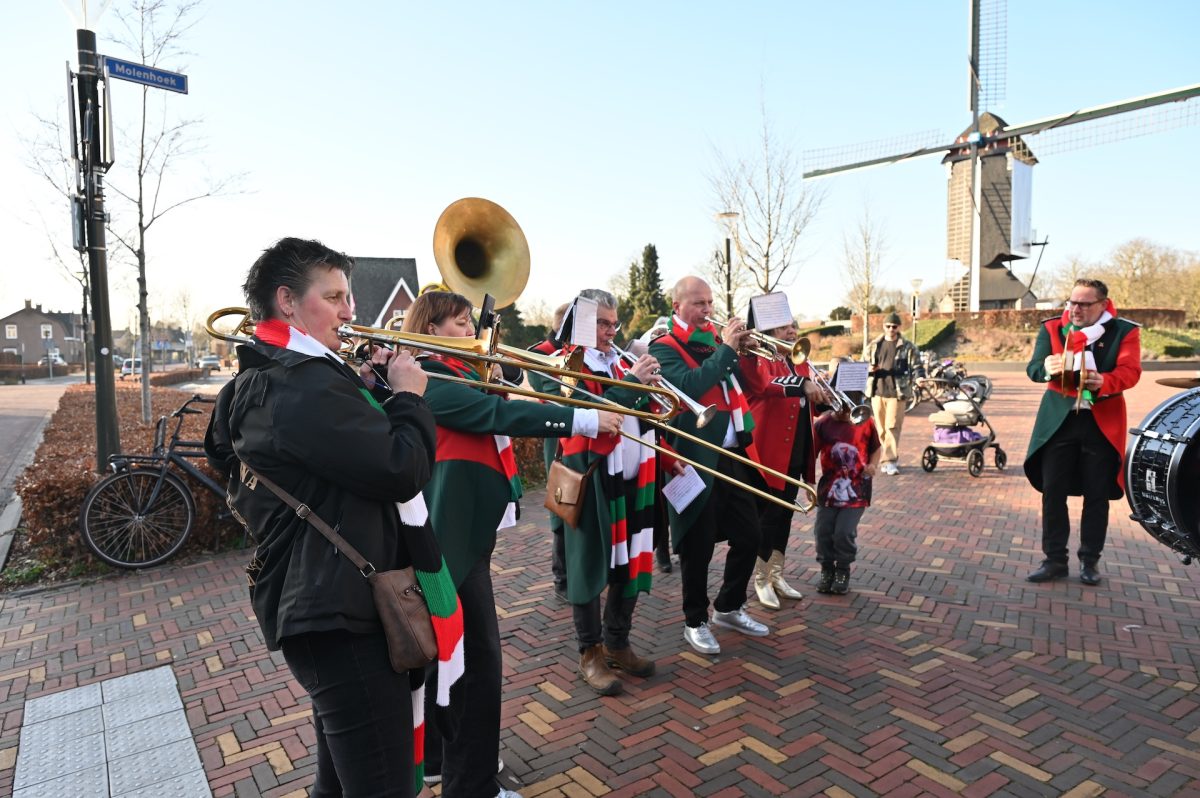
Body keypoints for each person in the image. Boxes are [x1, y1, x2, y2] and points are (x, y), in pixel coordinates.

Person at [203, 237, 462, 797]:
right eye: (335, 297)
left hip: (326, 606)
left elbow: (318, 460)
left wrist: (366, 393)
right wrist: (409, 397)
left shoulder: (272, 376)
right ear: (287, 302)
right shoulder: (302, 384)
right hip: (342, 612)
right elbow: (401, 469)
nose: (350, 311)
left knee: (340, 785)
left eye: (348, 297)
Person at [404, 291, 622, 798]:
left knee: (449, 656)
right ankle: (472, 784)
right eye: (462, 323)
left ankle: (440, 758)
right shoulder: (428, 375)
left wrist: (500, 377)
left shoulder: (452, 371)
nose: (472, 332)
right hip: (451, 537)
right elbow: (496, 417)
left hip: (459, 533)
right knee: (478, 664)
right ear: (432, 329)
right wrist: (583, 418)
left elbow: (492, 403)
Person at [558, 289, 675, 695]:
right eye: (602, 323)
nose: (611, 331)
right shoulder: (570, 364)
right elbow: (589, 411)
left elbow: (642, 416)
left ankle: (617, 642)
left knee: (632, 560)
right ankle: (589, 653)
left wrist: (654, 394)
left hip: (635, 476)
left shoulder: (620, 361)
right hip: (592, 478)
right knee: (589, 563)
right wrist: (633, 382)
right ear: (582, 323)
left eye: (613, 323)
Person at [649, 277, 768, 656]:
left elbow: (756, 387)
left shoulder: (717, 344)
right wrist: (728, 350)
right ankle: (695, 620)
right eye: (699, 303)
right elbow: (689, 387)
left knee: (751, 534)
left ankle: (729, 607)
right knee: (696, 546)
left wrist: (746, 353)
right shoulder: (663, 347)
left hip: (733, 456)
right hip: (695, 459)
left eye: (710, 302)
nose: (707, 310)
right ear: (677, 306)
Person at [1024, 278, 1142, 586]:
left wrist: (1105, 381)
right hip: (1059, 422)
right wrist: (1047, 368)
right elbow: (1033, 369)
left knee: (1097, 495)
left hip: (1101, 423)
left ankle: (1090, 561)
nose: (1075, 309)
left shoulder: (1124, 331)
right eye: (1072, 302)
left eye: (1084, 304)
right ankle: (1054, 560)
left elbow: (1130, 372)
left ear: (1103, 304)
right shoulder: (1053, 328)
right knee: (1052, 493)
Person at [739, 320, 828, 609]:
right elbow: (765, 385)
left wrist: (824, 396)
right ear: (768, 333)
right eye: (782, 328)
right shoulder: (761, 358)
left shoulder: (799, 361)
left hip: (796, 448)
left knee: (785, 514)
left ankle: (776, 574)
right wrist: (803, 385)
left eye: (792, 327)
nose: (791, 333)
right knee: (769, 516)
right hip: (771, 449)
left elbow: (806, 404)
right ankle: (761, 579)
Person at [812, 367, 881, 595]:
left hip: (857, 490)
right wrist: (808, 481)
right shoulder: (823, 424)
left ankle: (842, 569)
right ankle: (826, 569)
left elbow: (876, 448)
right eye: (841, 405)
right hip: (828, 490)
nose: (845, 411)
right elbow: (811, 453)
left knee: (844, 533)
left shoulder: (866, 423)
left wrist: (873, 465)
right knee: (823, 531)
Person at [527, 302, 571, 603]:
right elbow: (550, 393)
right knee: (562, 505)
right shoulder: (541, 352)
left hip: (584, 436)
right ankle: (562, 578)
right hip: (558, 439)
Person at [863, 311, 921, 475]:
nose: (891, 329)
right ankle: (885, 457)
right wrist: (869, 369)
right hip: (877, 392)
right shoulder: (874, 345)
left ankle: (890, 461)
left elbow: (917, 366)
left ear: (898, 327)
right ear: (883, 326)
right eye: (888, 326)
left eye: (894, 326)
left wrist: (920, 377)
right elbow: (862, 365)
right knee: (881, 429)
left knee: (892, 427)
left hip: (897, 393)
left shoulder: (908, 347)